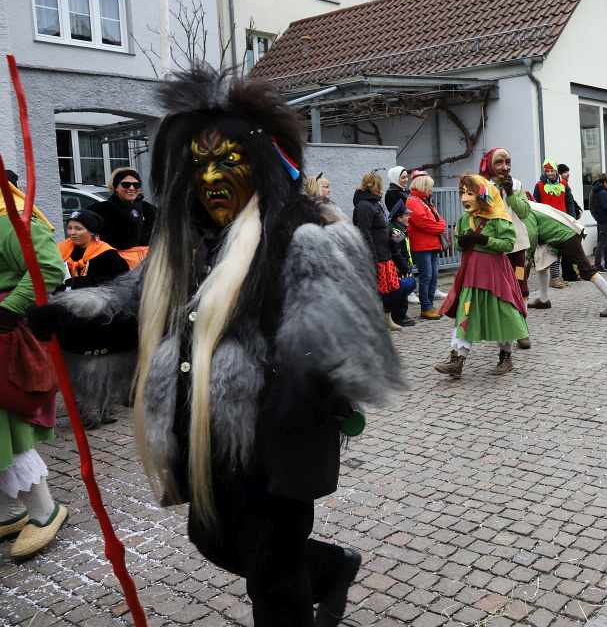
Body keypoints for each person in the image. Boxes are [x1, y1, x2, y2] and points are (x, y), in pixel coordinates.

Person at [28, 68, 403, 626]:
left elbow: (341, 340)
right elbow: (134, 306)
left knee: (271, 574)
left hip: (279, 440)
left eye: (229, 159)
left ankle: (303, 591)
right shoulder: (185, 243)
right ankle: (327, 569)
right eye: (198, 163)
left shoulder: (311, 233)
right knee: (213, 537)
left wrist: (300, 377)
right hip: (203, 430)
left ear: (263, 165)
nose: (211, 176)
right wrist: (68, 318)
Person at [0, 177, 68, 560]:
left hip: (3, 336)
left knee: (5, 426)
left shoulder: (6, 215)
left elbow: (46, 265)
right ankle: (10, 510)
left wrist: (7, 312)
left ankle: (43, 510)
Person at [435, 175, 528, 378]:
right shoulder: (463, 219)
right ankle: (456, 360)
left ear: (483, 196)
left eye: (470, 193)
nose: (464, 198)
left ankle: (506, 357)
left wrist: (484, 239)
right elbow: (458, 244)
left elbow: (508, 243)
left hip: (495, 275)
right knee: (465, 314)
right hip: (471, 275)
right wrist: (463, 242)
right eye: (463, 193)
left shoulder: (499, 218)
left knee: (502, 314)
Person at [55, 209, 133, 428]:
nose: (72, 232)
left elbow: (119, 284)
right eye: (70, 227)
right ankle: (87, 409)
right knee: (77, 366)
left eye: (78, 228)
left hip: (100, 321)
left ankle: (103, 408)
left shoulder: (107, 255)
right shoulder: (61, 251)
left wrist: (85, 284)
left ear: (91, 231)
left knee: (100, 366)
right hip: (72, 321)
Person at [527, 201, 607, 317]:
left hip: (565, 237)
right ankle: (543, 300)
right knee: (542, 263)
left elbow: (532, 235)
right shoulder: (530, 204)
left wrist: (528, 255)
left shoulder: (525, 210)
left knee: (586, 270)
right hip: (558, 236)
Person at [479, 148, 535, 349]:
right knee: (498, 290)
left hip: (517, 248)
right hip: (493, 248)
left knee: (521, 285)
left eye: (508, 162)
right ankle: (503, 332)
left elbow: (524, 211)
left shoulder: (517, 184)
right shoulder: (481, 185)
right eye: (499, 162)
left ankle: (522, 329)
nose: (505, 167)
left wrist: (510, 193)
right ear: (489, 164)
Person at [353, 172, 411, 333]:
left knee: (389, 291)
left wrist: (390, 235)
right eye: (380, 185)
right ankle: (373, 323)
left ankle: (387, 319)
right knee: (377, 292)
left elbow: (379, 228)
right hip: (376, 256)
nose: (382, 189)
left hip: (385, 254)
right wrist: (372, 257)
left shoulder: (374, 203)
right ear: (373, 186)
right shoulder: (364, 206)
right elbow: (365, 233)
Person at [89, 167, 157, 269]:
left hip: (149, 267)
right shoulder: (101, 209)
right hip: (115, 269)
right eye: (126, 184)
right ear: (116, 187)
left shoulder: (149, 209)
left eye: (136, 185)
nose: (131, 188)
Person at [405, 172, 447, 320]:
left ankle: (429, 305)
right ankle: (426, 307)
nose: (431, 190)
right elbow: (424, 223)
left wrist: (439, 225)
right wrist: (440, 226)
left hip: (432, 245)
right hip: (422, 246)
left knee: (433, 276)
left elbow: (439, 220)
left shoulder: (425, 201)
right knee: (426, 276)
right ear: (423, 186)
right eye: (430, 187)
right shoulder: (413, 201)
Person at [534, 159, 574, 288]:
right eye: (547, 171)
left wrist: (571, 218)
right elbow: (536, 204)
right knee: (552, 250)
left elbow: (569, 202)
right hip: (547, 221)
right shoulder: (539, 185)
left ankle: (556, 277)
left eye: (552, 170)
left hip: (562, 220)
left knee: (560, 250)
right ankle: (554, 278)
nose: (549, 173)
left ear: (556, 171)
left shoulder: (563, 183)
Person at [387, 202, 417, 327]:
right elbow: (396, 253)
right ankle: (399, 316)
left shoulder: (400, 228)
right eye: (406, 215)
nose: (408, 217)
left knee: (403, 293)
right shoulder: (395, 231)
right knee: (400, 292)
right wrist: (404, 267)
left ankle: (402, 315)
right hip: (398, 267)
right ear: (399, 217)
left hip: (403, 264)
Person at [556, 164, 583, 282]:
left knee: (568, 250)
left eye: (568, 172)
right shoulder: (559, 185)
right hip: (563, 221)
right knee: (566, 250)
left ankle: (570, 273)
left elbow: (570, 201)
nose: (568, 174)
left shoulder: (565, 185)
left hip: (568, 220)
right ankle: (567, 274)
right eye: (565, 172)